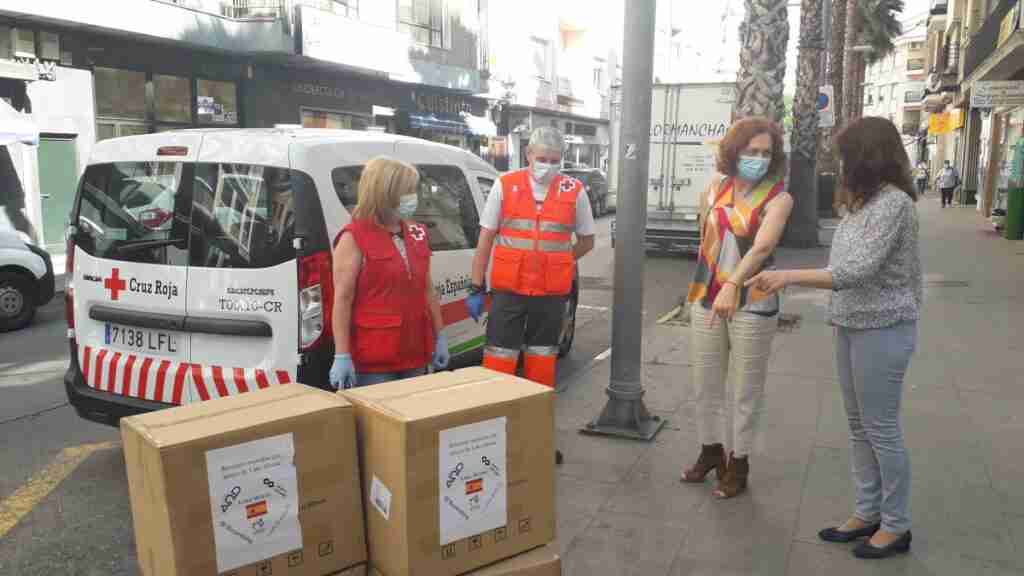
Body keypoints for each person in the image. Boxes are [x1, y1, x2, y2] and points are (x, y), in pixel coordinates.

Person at [747, 117, 921, 559]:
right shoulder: (863, 203)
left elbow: (855, 270)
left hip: (883, 327)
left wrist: (786, 276)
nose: (840, 164)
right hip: (852, 324)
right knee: (859, 424)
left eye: (846, 155)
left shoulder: (894, 204)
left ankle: (896, 525)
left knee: (881, 428)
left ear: (868, 156)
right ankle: (867, 513)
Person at [679, 117, 793, 499]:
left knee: (745, 390)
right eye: (751, 152)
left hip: (753, 301)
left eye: (766, 153)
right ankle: (711, 451)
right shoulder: (714, 188)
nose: (759, 159)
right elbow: (703, 236)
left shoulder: (779, 198)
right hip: (707, 297)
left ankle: (739, 462)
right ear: (734, 153)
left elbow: (762, 247)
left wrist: (733, 284)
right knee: (705, 383)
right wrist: (708, 285)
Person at [466, 126, 596, 387]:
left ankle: (534, 413)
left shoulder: (575, 190)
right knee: (499, 358)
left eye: (555, 160)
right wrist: (476, 286)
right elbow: (485, 239)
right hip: (509, 291)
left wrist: (560, 261)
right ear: (528, 154)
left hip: (550, 294)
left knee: (542, 357)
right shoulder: (505, 185)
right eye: (542, 159)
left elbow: (587, 241)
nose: (548, 166)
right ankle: (496, 411)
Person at [329, 157, 449, 389]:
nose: (413, 198)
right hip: (375, 357)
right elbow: (342, 301)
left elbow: (427, 289)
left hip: (415, 349)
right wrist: (341, 354)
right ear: (386, 193)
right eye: (408, 191)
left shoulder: (416, 232)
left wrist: (440, 335)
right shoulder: (353, 238)